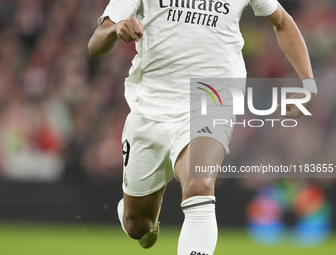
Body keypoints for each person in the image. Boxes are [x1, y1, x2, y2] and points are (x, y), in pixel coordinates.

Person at [88, 0, 317, 254]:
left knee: (200, 184)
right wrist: (116, 28)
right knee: (137, 225)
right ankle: (146, 222)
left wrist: (308, 82)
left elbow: (282, 21)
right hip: (150, 107)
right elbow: (95, 44)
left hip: (212, 97)